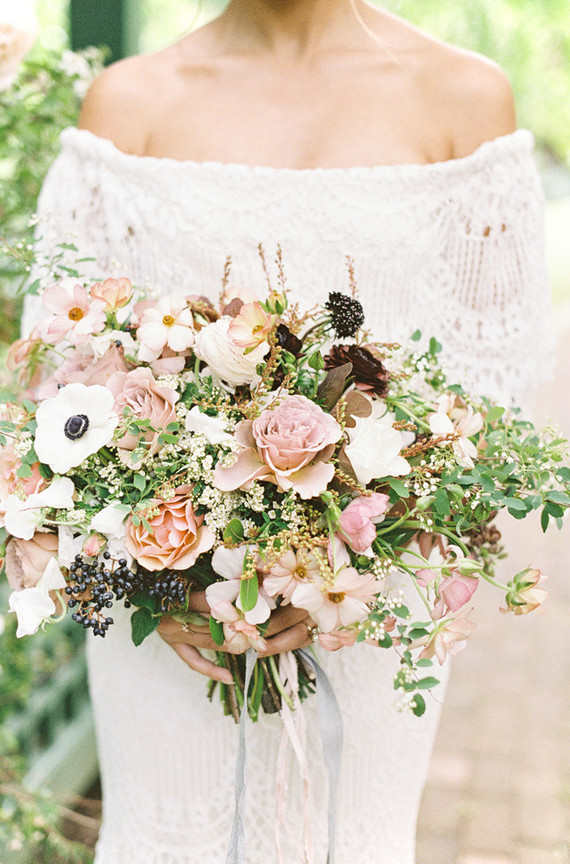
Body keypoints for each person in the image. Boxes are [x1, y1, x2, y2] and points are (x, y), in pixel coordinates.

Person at [25, 1, 551, 861]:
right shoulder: (127, 105)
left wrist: (353, 560)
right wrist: (158, 587)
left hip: (368, 619)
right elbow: (58, 389)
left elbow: (489, 406)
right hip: (170, 620)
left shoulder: (464, 99)